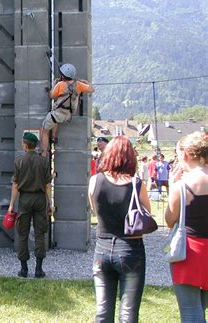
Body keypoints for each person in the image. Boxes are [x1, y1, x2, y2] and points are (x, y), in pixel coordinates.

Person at [88, 136, 152, 322]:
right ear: (130, 157)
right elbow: (146, 212)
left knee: (102, 311)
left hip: (102, 248)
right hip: (131, 249)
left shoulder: (95, 181)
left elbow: (94, 209)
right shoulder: (137, 184)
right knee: (128, 313)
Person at [165, 131, 208, 322]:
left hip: (190, 252)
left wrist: (171, 185)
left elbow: (169, 220)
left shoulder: (181, 186)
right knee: (202, 308)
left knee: (191, 312)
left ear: (185, 155)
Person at [7, 133, 52, 278]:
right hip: (40, 199)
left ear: (25, 144)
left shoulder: (19, 161)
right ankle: (39, 269)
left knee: (22, 233)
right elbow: (48, 185)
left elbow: (15, 185)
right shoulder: (44, 161)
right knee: (40, 233)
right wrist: (50, 202)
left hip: (25, 198)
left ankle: (24, 269)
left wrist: (11, 204)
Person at [40, 63, 95, 155]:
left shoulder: (60, 85)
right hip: (68, 114)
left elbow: (52, 96)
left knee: (44, 131)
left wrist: (54, 84)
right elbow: (92, 89)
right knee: (54, 119)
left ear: (62, 75)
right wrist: (85, 81)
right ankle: (53, 137)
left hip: (58, 114)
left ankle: (44, 153)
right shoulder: (78, 85)